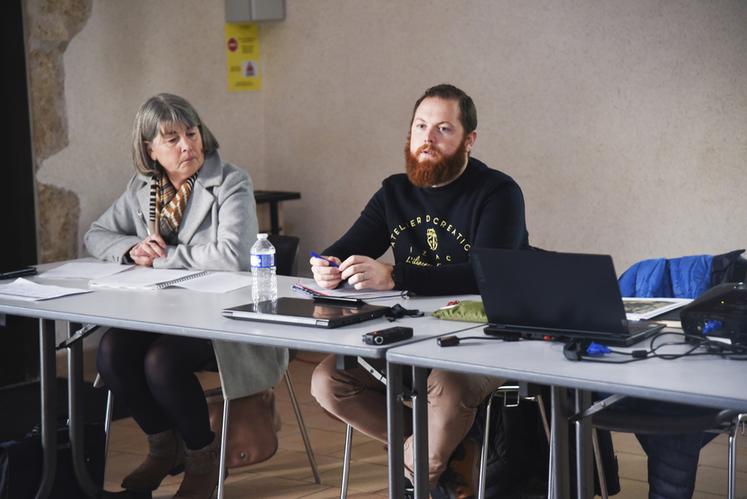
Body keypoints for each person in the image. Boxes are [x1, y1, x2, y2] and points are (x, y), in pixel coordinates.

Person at [309, 84, 530, 497]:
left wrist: (397, 277)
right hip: (413, 333)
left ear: (469, 140)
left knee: (448, 388)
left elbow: (487, 274)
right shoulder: (395, 191)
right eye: (420, 126)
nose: (428, 138)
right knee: (328, 381)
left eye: (444, 128)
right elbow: (344, 248)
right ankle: (449, 452)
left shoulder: (498, 193)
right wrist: (327, 265)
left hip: (486, 335)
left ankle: (418, 480)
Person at [85, 93, 288, 499]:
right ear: (150, 149)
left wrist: (161, 259)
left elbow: (233, 255)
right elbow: (96, 234)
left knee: (161, 361)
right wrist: (132, 249)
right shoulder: (144, 188)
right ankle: (164, 446)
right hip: (165, 313)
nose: (187, 146)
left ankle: (204, 457)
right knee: (111, 351)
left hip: (225, 320)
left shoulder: (231, 180)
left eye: (191, 133)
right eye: (172, 138)